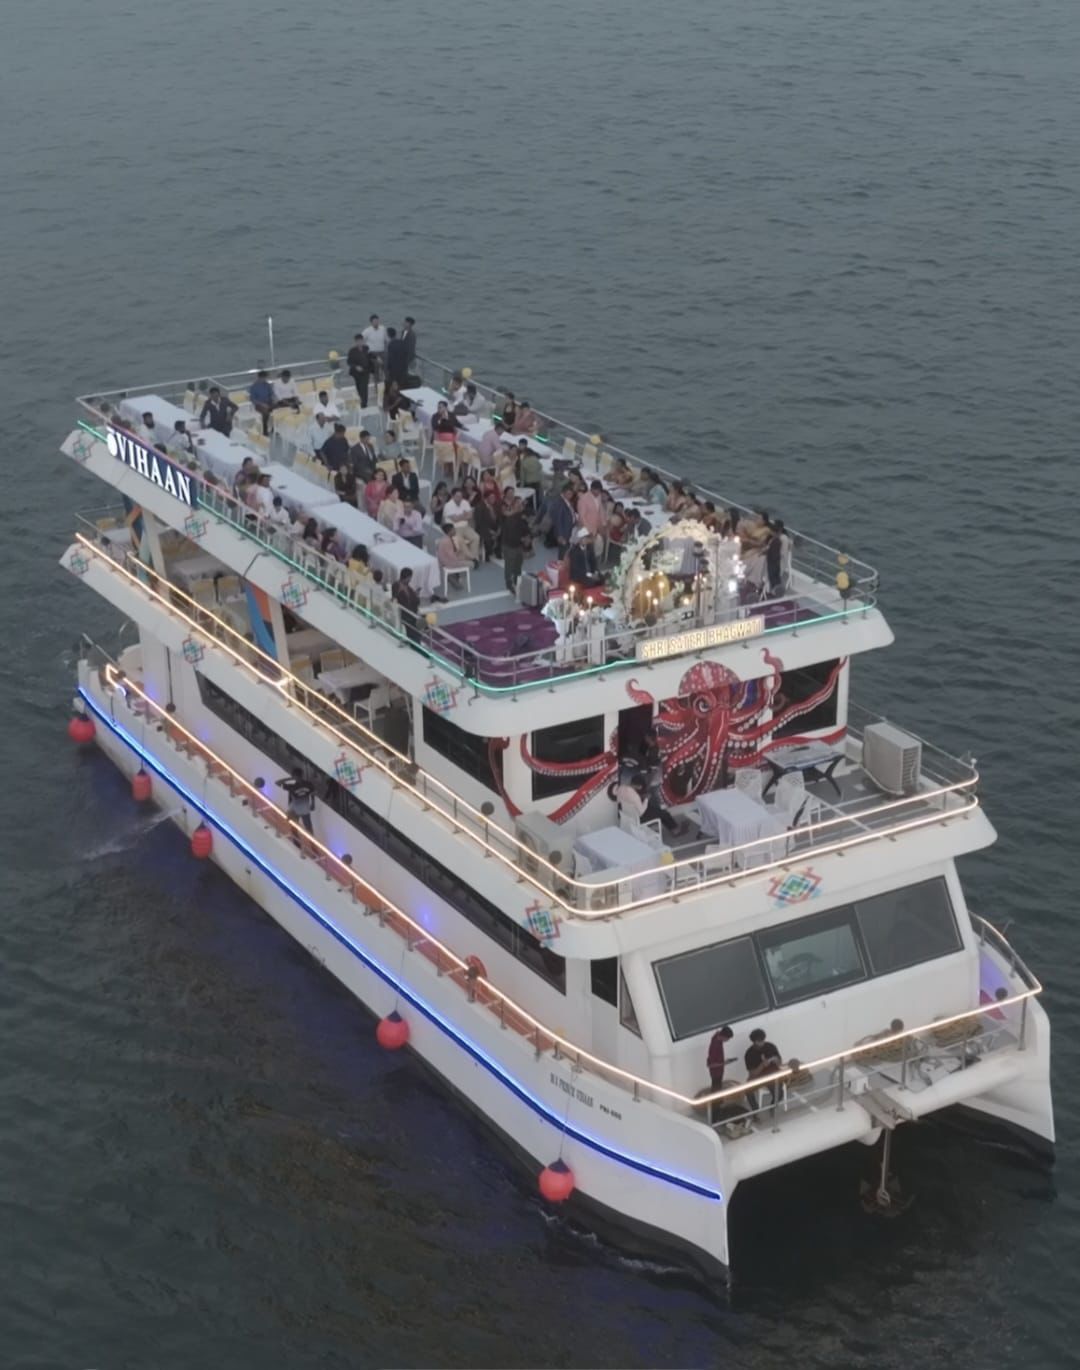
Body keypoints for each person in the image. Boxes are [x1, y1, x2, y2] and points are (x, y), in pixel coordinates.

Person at [744, 1028, 784, 1110]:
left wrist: (776, 1060)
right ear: (754, 1042)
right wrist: (762, 1065)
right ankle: (755, 1110)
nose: (762, 1042)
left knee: (779, 1093)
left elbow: (780, 1063)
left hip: (772, 1074)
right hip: (758, 1076)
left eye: (763, 1040)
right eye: (759, 1041)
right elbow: (753, 1073)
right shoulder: (749, 1054)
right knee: (747, 1090)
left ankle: (772, 1107)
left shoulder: (770, 1046)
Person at [499, 495, 531, 593]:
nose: (520, 505)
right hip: (509, 546)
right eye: (517, 503)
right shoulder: (509, 517)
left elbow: (526, 529)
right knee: (509, 566)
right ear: (513, 505)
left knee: (518, 565)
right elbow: (511, 535)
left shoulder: (521, 517)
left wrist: (527, 536)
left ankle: (517, 581)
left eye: (521, 504)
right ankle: (509, 584)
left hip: (518, 545)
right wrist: (523, 539)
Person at [444, 488, 481, 562]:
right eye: (457, 496)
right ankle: (472, 558)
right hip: (454, 528)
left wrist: (460, 516)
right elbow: (455, 519)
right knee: (460, 541)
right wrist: (464, 515)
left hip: (465, 527)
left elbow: (470, 516)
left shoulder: (465, 502)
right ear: (452, 496)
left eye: (461, 496)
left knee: (476, 537)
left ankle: (473, 558)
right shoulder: (448, 505)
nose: (459, 498)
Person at [279, 767, 316, 835]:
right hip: (296, 810)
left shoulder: (305, 785)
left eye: (296, 776)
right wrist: (313, 804)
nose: (296, 778)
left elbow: (312, 793)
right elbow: (278, 783)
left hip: (303, 810)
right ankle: (296, 840)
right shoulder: (293, 786)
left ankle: (309, 841)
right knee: (295, 827)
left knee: (307, 828)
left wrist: (313, 803)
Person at [392, 567, 422, 641]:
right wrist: (416, 596)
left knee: (416, 631)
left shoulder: (405, 587)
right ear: (408, 577)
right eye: (410, 578)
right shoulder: (399, 587)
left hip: (410, 613)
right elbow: (396, 599)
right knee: (414, 634)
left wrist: (415, 594)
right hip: (407, 615)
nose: (410, 580)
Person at [707, 1025, 736, 1090]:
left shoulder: (717, 1038)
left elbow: (717, 1032)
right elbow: (710, 1065)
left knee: (717, 1088)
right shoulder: (715, 1046)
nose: (728, 1040)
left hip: (719, 1070)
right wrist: (724, 1063)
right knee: (716, 1089)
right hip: (716, 1073)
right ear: (723, 1036)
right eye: (728, 1038)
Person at [347, 334, 372, 406]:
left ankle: (364, 404)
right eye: (358, 341)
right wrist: (356, 367)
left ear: (363, 341)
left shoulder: (366, 348)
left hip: (365, 371)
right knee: (359, 387)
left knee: (364, 387)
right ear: (355, 342)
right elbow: (349, 362)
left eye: (361, 341)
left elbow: (370, 355)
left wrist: (376, 358)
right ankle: (362, 399)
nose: (359, 342)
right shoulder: (352, 351)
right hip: (356, 373)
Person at [248, 370, 275, 435]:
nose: (265, 379)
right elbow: (252, 399)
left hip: (268, 402)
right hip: (259, 405)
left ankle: (274, 428)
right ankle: (265, 429)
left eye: (266, 378)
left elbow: (271, 394)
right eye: (264, 378)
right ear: (260, 378)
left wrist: (273, 399)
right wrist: (262, 404)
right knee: (266, 413)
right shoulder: (254, 387)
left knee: (277, 409)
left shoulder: (267, 385)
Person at [362, 314, 388, 378]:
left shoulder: (383, 328)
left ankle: (387, 381)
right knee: (376, 369)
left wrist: (386, 350)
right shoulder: (367, 331)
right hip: (373, 353)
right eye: (375, 321)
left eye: (377, 321)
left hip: (382, 352)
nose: (376, 323)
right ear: (371, 322)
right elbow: (361, 340)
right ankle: (377, 382)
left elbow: (386, 340)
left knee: (386, 368)